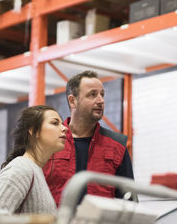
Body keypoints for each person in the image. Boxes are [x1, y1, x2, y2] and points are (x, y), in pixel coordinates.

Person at [43, 70, 135, 206]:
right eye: (92, 95)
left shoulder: (117, 145)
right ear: (72, 100)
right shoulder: (48, 142)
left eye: (102, 95)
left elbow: (129, 202)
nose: (101, 101)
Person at [0, 105, 67, 216]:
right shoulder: (21, 168)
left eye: (62, 123)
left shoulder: (34, 170)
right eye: (55, 123)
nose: (64, 128)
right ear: (33, 130)